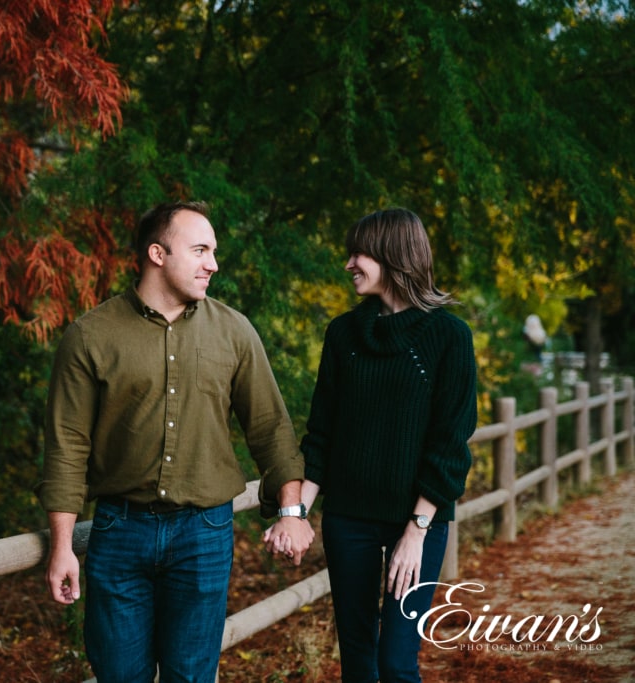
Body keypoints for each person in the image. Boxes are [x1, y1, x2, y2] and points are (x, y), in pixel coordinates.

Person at [37, 200, 314, 683]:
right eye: (201, 250)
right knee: (120, 676)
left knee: (191, 677)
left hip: (203, 535)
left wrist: (292, 512)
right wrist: (63, 546)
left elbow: (271, 428)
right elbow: (67, 447)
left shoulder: (235, 332)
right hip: (119, 533)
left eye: (213, 252)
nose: (214, 264)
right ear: (158, 254)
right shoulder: (90, 337)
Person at [270, 208, 477, 682]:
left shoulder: (449, 337)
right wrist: (295, 515)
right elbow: (321, 436)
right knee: (359, 663)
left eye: (358, 253)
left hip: (417, 522)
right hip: (349, 522)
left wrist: (416, 532)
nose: (348, 264)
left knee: (396, 662)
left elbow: (450, 445)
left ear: (392, 255)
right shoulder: (343, 335)